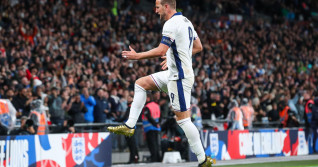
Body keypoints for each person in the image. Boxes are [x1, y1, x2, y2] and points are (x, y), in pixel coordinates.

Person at [108, 0, 215, 166]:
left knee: (184, 120)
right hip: (174, 74)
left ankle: (203, 159)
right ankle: (130, 125)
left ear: (166, 6)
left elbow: (160, 50)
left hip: (178, 78)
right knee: (140, 83)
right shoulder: (186, 21)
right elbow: (198, 46)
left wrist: (137, 56)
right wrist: (175, 55)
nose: (155, 10)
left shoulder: (171, 24)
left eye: (157, 7)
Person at [142, 95, 161, 162]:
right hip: (156, 128)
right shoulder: (156, 105)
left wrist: (155, 124)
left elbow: (149, 117)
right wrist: (157, 124)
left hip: (150, 128)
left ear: (148, 98)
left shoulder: (147, 107)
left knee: (152, 145)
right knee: (156, 144)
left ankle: (154, 159)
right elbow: (160, 116)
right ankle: (158, 158)